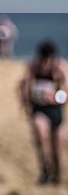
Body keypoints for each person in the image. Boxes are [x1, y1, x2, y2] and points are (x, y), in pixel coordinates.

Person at [19, 39, 67, 185]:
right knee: (39, 134)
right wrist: (25, 102)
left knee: (57, 147)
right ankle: (45, 170)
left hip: (55, 109)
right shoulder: (33, 67)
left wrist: (54, 98)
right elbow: (24, 84)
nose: (45, 62)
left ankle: (57, 176)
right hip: (39, 108)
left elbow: (64, 92)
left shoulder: (59, 68)